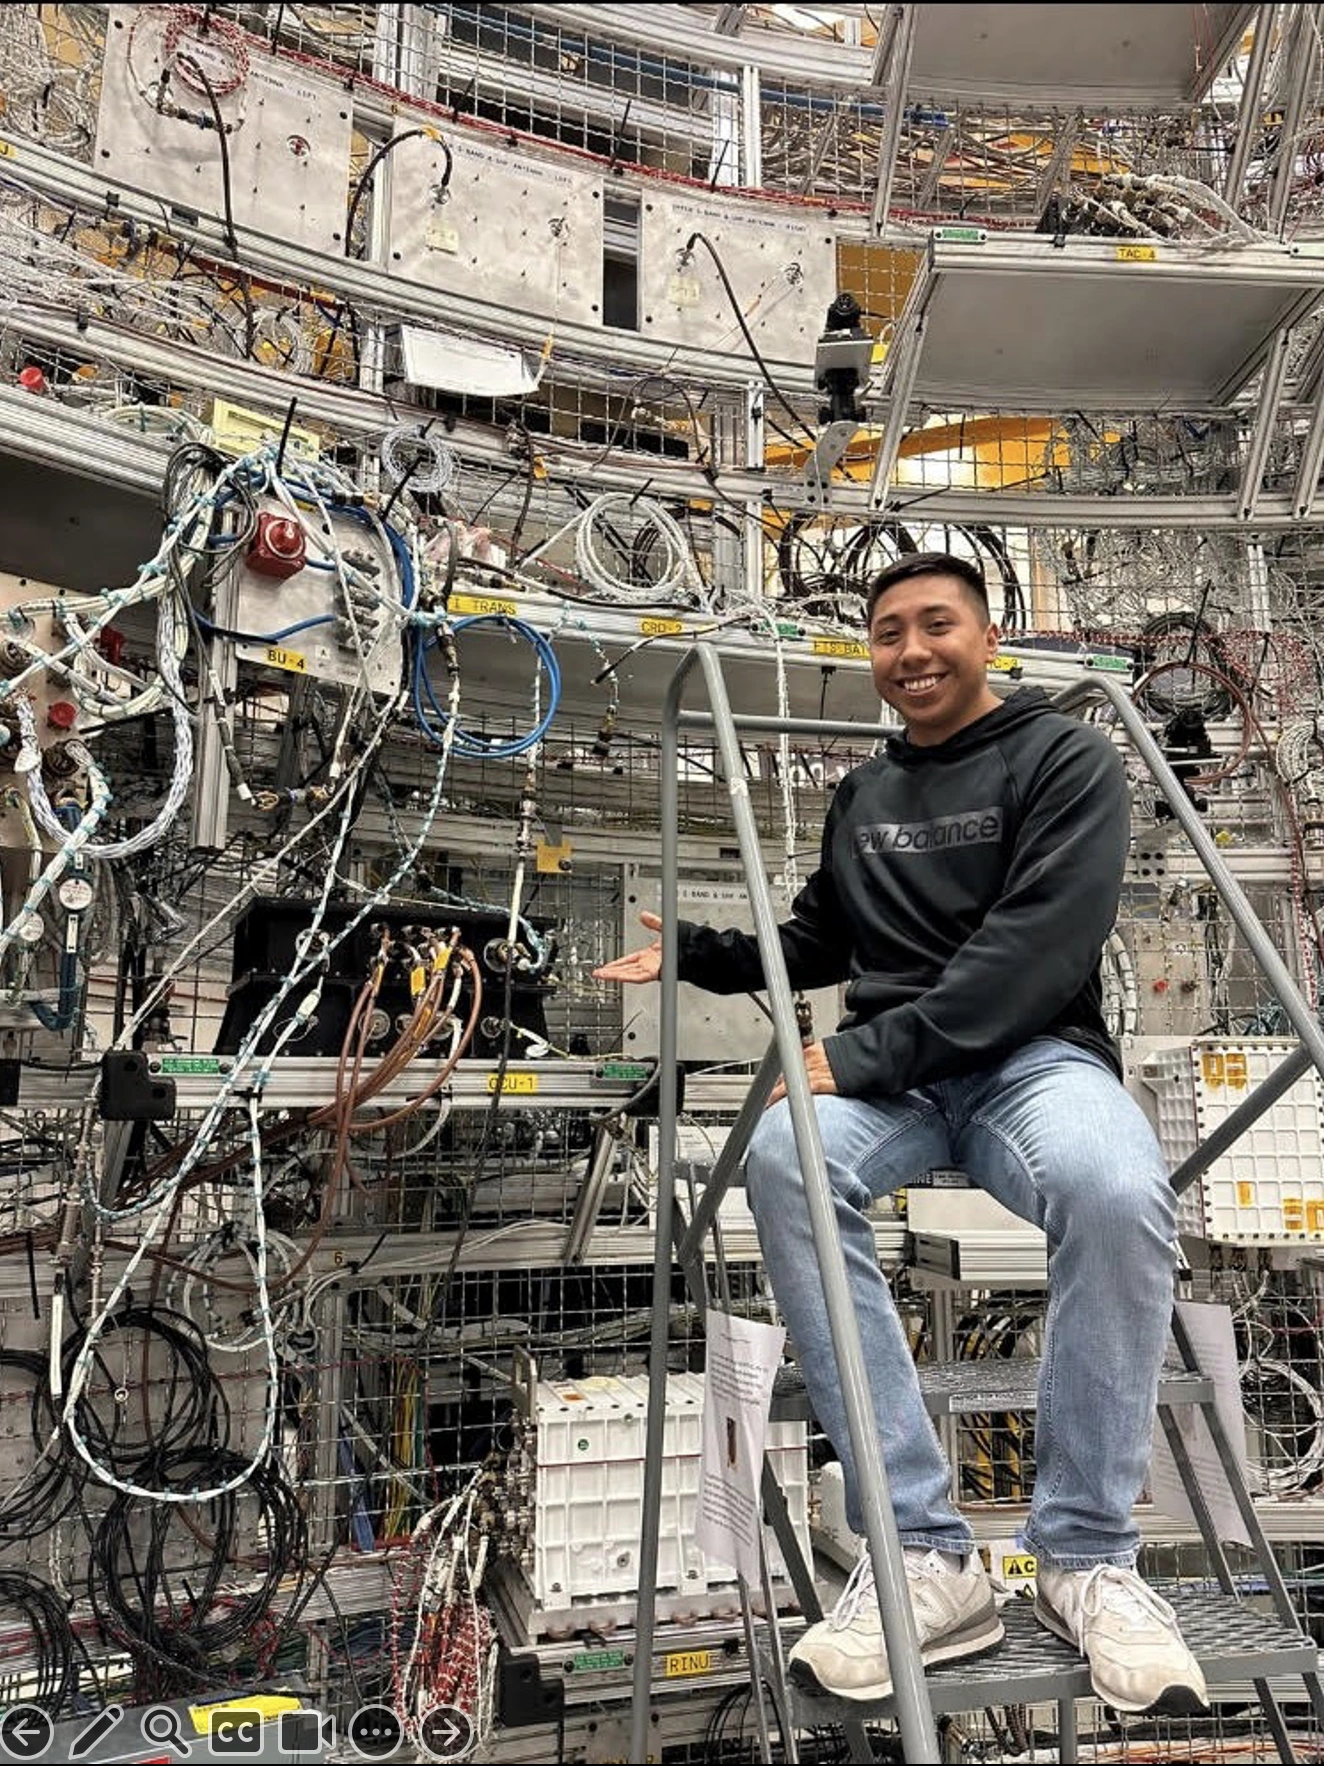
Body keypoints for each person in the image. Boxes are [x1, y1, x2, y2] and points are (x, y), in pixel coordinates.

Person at [594, 552, 1207, 1715]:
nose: (912, 650)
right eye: (887, 632)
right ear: (870, 654)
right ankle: (922, 1554)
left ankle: (1084, 1554)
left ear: (988, 638)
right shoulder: (864, 796)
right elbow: (822, 937)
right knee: (785, 1156)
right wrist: (697, 952)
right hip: (901, 1084)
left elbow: (1032, 954)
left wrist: (859, 1053)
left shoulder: (1064, 758)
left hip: (1031, 1059)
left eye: (938, 624)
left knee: (1116, 1188)